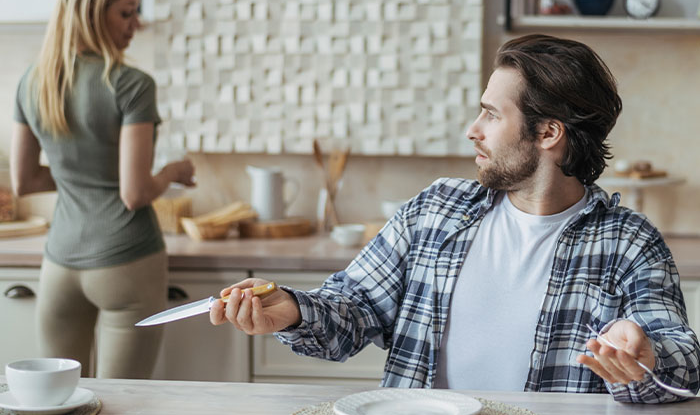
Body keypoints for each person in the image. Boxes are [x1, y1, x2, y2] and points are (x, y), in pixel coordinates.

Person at [210, 34, 699, 403]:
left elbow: (685, 367)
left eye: (490, 114)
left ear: (548, 133)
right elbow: (352, 309)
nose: (473, 130)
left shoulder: (629, 244)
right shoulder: (436, 210)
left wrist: (647, 358)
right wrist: (292, 310)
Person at [10, 0, 195, 379]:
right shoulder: (131, 84)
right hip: (126, 262)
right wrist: (171, 172)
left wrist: (84, 174)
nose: (135, 24)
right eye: (126, 12)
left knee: (59, 401)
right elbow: (135, 193)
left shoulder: (33, 81)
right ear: (94, 13)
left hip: (59, 265)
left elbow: (25, 181)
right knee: (124, 403)